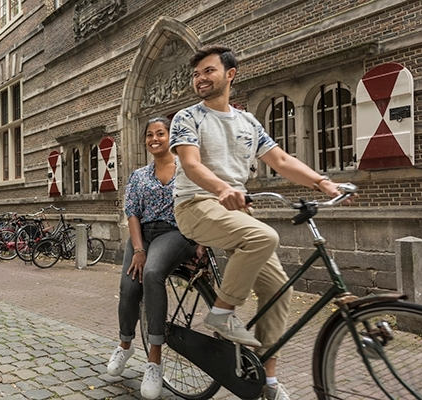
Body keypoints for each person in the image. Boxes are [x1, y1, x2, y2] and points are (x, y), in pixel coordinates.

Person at [169, 45, 346, 400]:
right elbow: (190, 165)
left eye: (208, 71)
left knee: (280, 290)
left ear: (230, 74)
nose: (200, 79)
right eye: (196, 74)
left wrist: (323, 183)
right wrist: (221, 188)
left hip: (234, 209)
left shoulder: (248, 122)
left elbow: (280, 159)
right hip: (196, 203)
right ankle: (221, 313)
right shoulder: (187, 118)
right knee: (264, 236)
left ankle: (266, 379)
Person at [106, 117, 198, 399]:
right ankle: (125, 344)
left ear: (171, 137)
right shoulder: (138, 176)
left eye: (160, 133)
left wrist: (203, 243)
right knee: (129, 286)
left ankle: (154, 360)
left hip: (175, 233)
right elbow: (132, 213)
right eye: (149, 135)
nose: (154, 139)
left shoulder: (187, 170)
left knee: (152, 272)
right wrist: (138, 249)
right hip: (142, 235)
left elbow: (199, 205)